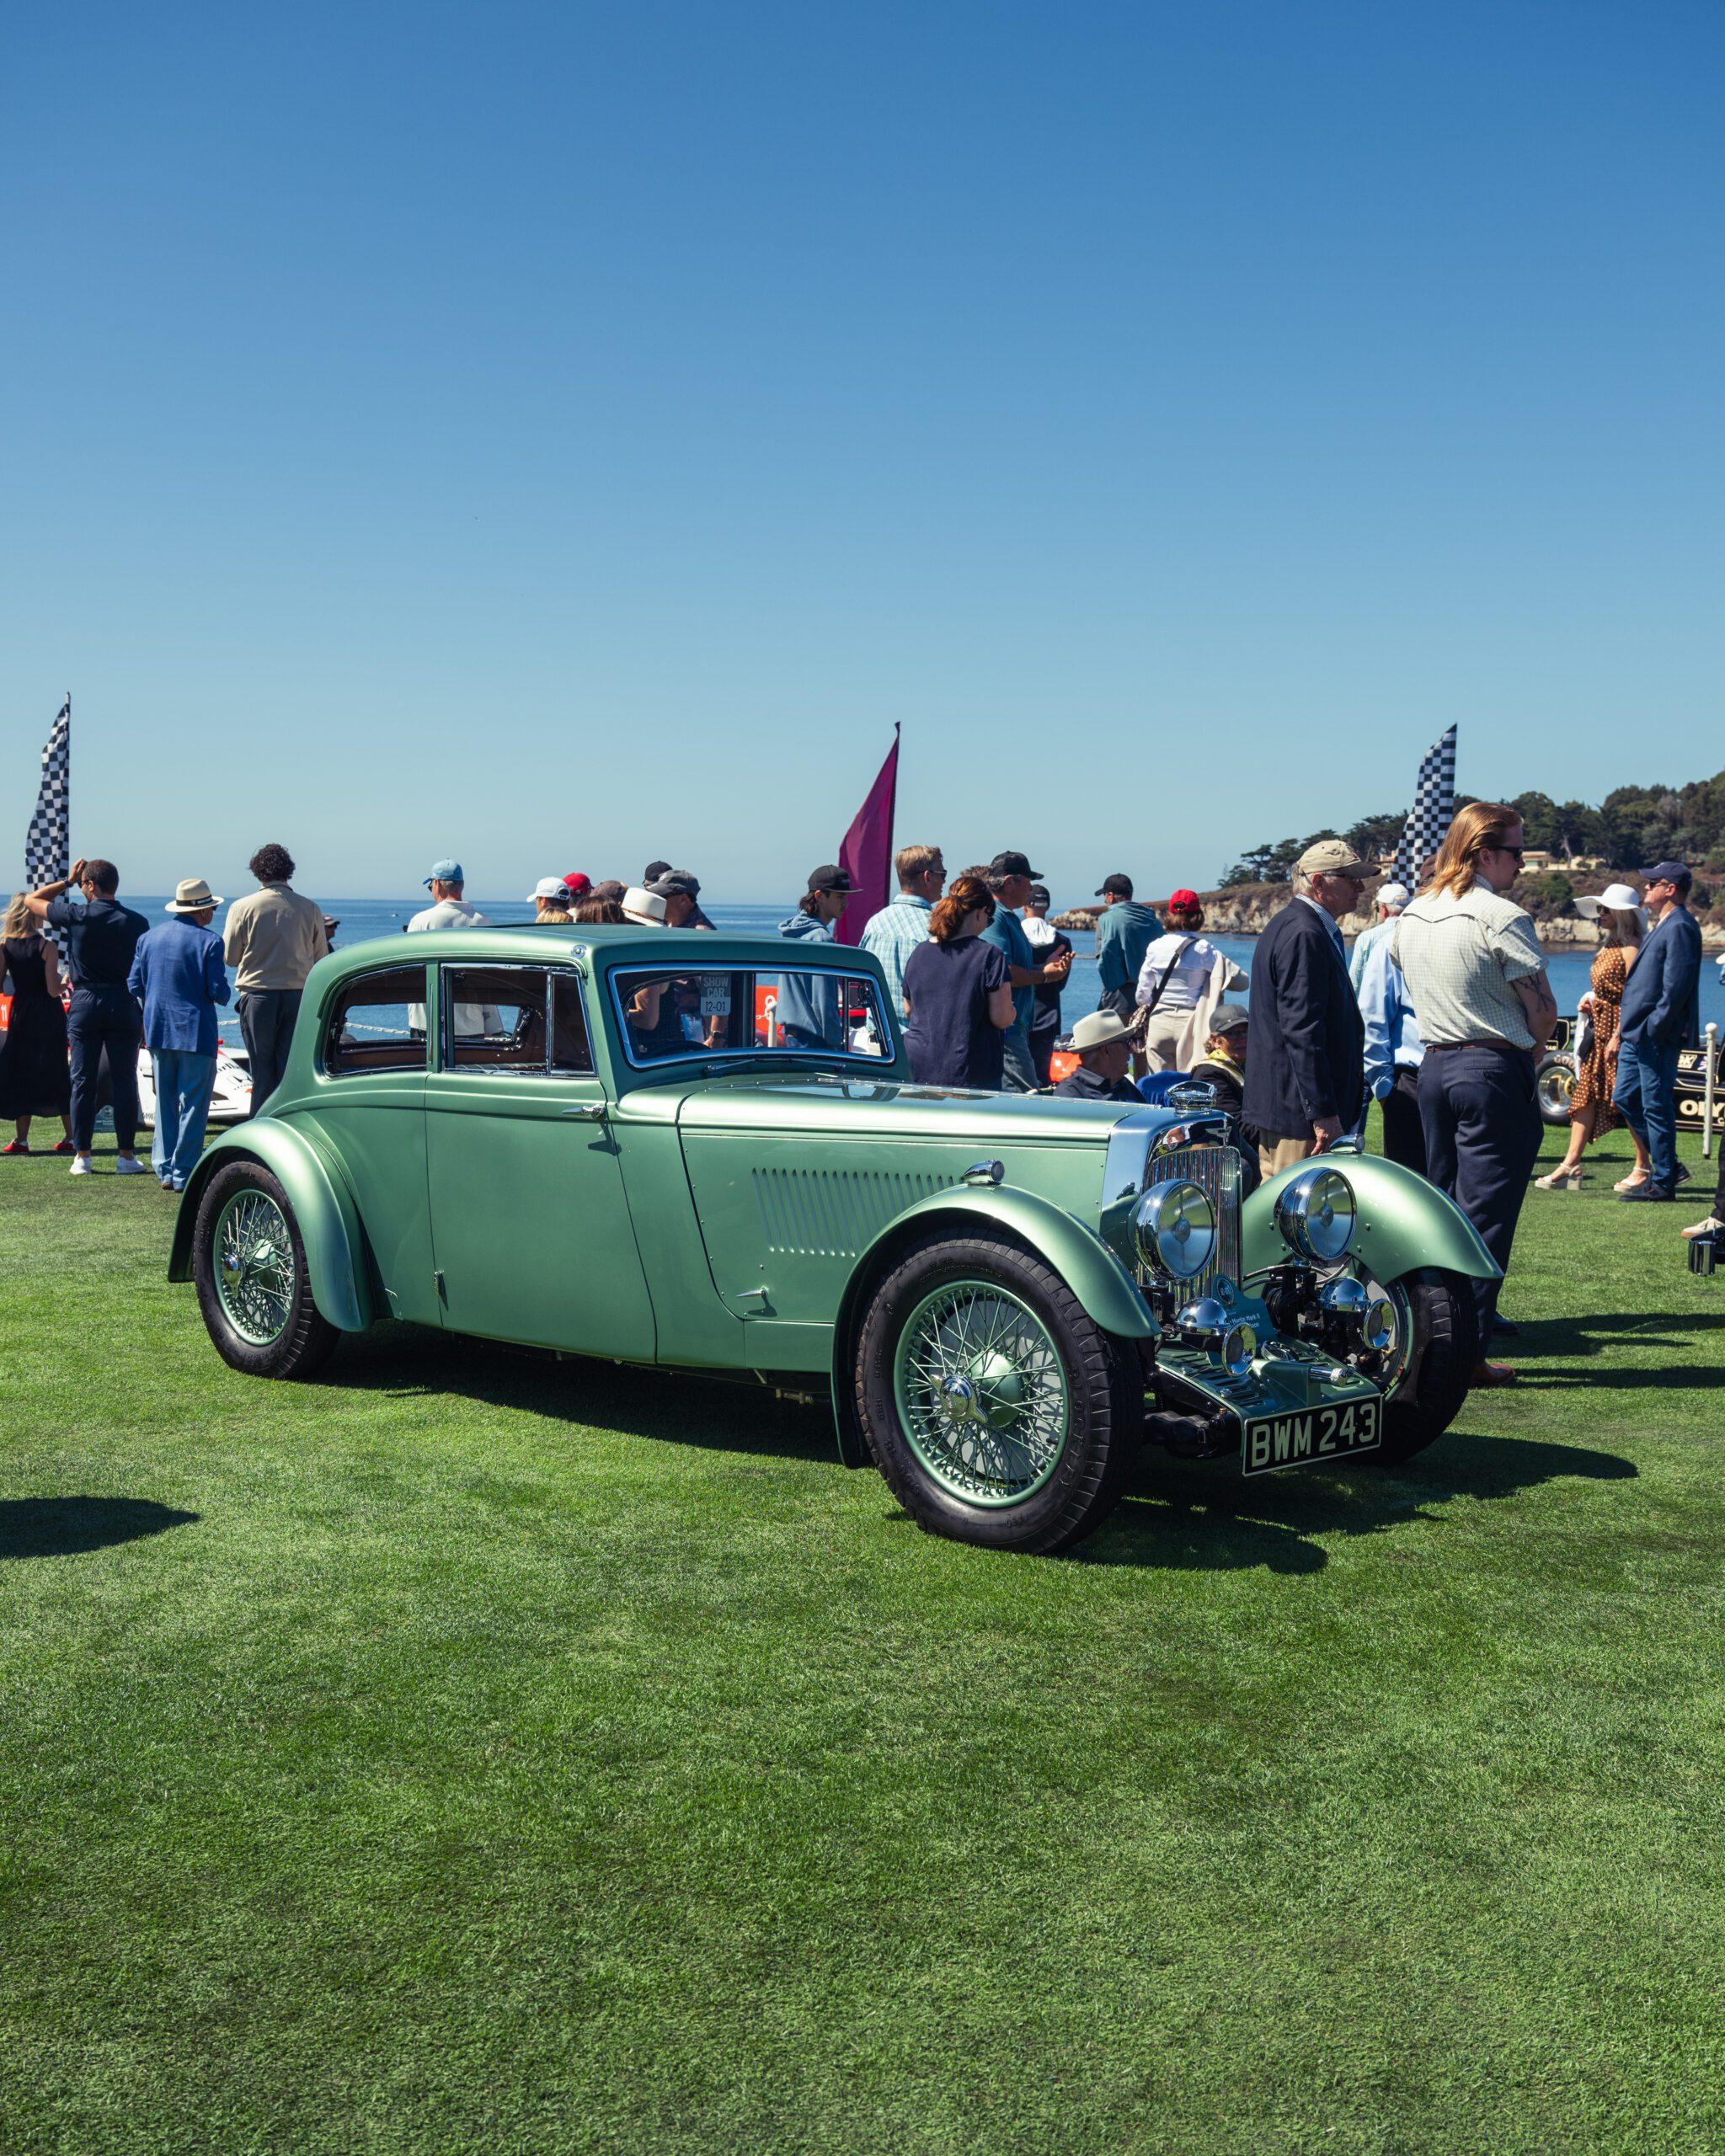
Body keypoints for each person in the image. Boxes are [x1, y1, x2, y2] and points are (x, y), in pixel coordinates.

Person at [1391, 803, 1557, 1384]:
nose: (1522, 864)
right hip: (1491, 1067)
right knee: (1485, 1219)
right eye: (1516, 852)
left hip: (1434, 1068)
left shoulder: (1413, 913)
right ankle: (1464, 1354)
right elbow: (1543, 1011)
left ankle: (1424, 1335)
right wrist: (1532, 1049)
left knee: (1441, 1211)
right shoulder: (1501, 916)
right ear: (1484, 854)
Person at [1242, 839, 1369, 1182]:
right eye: (1351, 877)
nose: (1361, 887)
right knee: (1297, 1205)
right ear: (1318, 882)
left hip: (1291, 1108)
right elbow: (1302, 1030)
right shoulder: (1304, 933)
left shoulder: (1294, 925)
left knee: (1286, 1202)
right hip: (1300, 1116)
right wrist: (1322, 1112)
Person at [24, 858, 151, 1176]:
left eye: (83, 884)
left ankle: (82, 1156)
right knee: (125, 1080)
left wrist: (66, 882)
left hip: (85, 1001)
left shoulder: (77, 915)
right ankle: (126, 1156)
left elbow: (31, 901)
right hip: (124, 1000)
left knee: (82, 1080)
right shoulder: (138, 922)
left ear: (91, 885)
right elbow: (143, 974)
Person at [1534, 886, 1649, 1192]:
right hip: (1599, 1030)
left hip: (1618, 1032)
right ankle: (1570, 1164)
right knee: (1584, 1095)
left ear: (1622, 913)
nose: (1601, 914)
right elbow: (1608, 992)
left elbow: (1635, 997)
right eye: (1600, 909)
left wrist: (1618, 1036)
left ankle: (1644, 1166)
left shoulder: (1632, 946)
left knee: (1625, 1098)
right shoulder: (1610, 944)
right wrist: (1592, 1002)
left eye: (1606, 909)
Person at [126, 878, 231, 1193]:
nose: (213, 912)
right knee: (194, 1105)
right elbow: (217, 990)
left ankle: (165, 1169)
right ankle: (184, 1171)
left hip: (158, 1030)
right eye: (212, 908)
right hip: (196, 1032)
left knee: (166, 1103)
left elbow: (134, 984)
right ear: (203, 911)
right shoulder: (211, 942)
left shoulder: (148, 939)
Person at [1612, 861, 1703, 1203]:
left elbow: (1676, 987)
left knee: (1655, 1105)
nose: (1646, 888)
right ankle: (1669, 1166)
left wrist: (1654, 1027)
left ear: (1670, 889)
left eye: (1653, 883)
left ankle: (1664, 1181)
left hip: (1654, 1035)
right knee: (1625, 1097)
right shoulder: (1665, 924)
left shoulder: (1680, 925)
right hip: (1638, 1033)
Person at [223, 843, 328, 1118]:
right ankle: (290, 1121)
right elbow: (321, 958)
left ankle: (259, 1123)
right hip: (297, 996)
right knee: (289, 1070)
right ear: (288, 871)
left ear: (258, 871)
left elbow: (230, 958)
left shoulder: (242, 907)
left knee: (261, 1071)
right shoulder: (309, 908)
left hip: (258, 996)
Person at [903, 875, 1014, 1089]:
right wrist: (1013, 1013)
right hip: (969, 1070)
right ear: (980, 913)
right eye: (989, 919)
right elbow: (1001, 1018)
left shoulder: (919, 952)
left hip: (918, 1065)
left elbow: (909, 1010)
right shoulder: (989, 955)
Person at [977, 851, 1071, 1092]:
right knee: (1025, 1097)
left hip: (1012, 1026)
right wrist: (1045, 976)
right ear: (1010, 882)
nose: (1030, 889)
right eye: (1028, 881)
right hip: (1005, 1030)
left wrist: (1043, 967)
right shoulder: (996, 917)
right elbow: (1002, 971)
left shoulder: (1006, 917)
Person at [1134, 891, 1247, 1074]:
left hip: (1159, 1020)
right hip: (1190, 1023)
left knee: (1159, 1082)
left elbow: (1142, 995)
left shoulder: (1155, 947)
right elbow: (1242, 983)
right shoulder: (1204, 949)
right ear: (1198, 916)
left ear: (1169, 915)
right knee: (1189, 1082)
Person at [1354, 917, 1428, 1175]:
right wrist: (1384, 1088)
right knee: (1410, 1180)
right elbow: (1372, 1019)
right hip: (1410, 1082)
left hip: (1454, 1078)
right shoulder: (1392, 943)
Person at [0, 893, 72, 1153]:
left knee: (22, 1071)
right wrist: (64, 982)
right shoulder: (46, 946)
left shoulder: (4, 945)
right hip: (48, 1014)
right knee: (57, 1070)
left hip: (21, 1013)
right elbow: (53, 991)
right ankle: (71, 1136)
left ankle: (21, 1140)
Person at [408, 862, 499, 1040]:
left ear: (438, 884)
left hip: (426, 1019)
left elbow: (412, 968)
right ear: (461, 885)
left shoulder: (421, 922)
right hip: (471, 1022)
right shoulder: (483, 923)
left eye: (431, 886)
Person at [859, 844, 945, 1016]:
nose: (944, 881)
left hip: (878, 1030)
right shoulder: (935, 926)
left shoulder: (874, 923)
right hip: (919, 1030)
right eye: (942, 874)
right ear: (927, 877)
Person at [1186, 1000, 1264, 1185]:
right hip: (1225, 1150)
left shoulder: (1247, 1065)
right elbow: (1235, 1126)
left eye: (1245, 1032)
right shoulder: (1209, 1074)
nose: (1242, 1039)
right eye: (1232, 1034)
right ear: (1215, 1040)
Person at [776, 866, 855, 1049]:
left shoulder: (792, 933)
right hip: (815, 1040)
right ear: (819, 896)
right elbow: (823, 1002)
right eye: (840, 897)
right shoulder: (821, 939)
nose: (846, 903)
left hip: (793, 1036)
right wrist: (837, 1043)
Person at [1020, 883, 1074, 1086]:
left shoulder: (1016, 934)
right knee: (1041, 1073)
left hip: (1017, 1011)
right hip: (1048, 1013)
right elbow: (1061, 981)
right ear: (1048, 906)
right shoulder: (1062, 941)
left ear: (1025, 906)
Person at [1092, 875, 1162, 1022]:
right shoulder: (1151, 918)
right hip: (1152, 997)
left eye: (1105, 896)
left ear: (1111, 896)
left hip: (1120, 997)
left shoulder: (1107, 918)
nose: (1105, 901)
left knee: (1114, 1036)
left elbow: (1105, 960)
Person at [1052, 1010, 1139, 1103]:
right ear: (1106, 1051)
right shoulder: (1070, 1094)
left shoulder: (1124, 1084)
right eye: (1126, 1043)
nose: (1131, 1050)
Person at [1348, 882, 1410, 992]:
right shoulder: (1417, 934)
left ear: (1384, 909)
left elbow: (1355, 982)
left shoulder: (1367, 938)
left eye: (1378, 909)